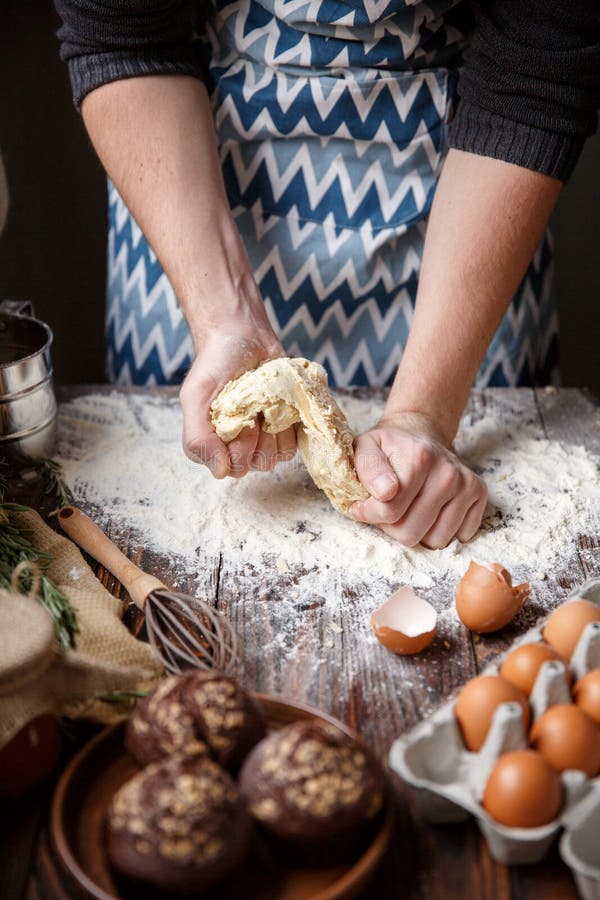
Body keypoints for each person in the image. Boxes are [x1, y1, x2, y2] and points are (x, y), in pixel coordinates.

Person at [54, 1, 599, 549]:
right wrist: (222, 319)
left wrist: (424, 412)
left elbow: (533, 73)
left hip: (468, 191)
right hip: (184, 179)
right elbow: (122, 33)